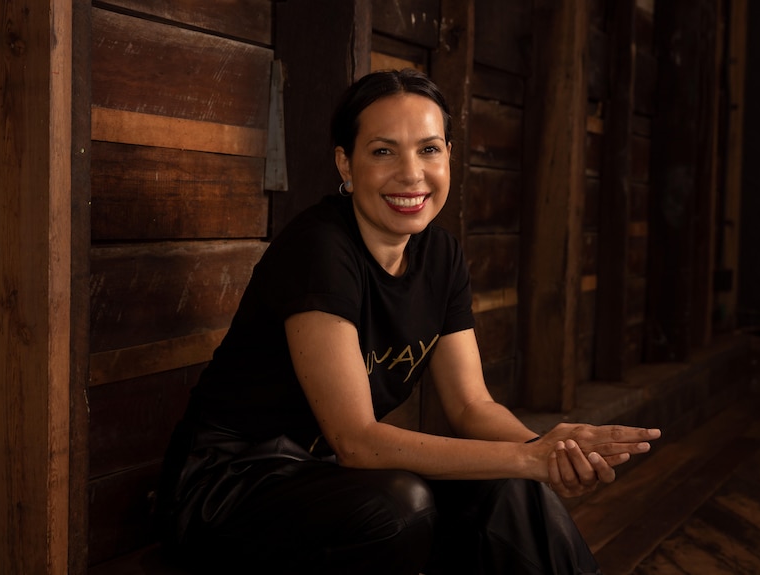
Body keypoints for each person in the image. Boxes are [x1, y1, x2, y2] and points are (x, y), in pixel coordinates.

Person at [155, 68, 660, 575]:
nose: (411, 173)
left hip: (324, 477)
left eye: (429, 149)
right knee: (403, 505)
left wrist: (548, 452)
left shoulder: (440, 255)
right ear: (345, 164)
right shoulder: (320, 251)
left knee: (508, 485)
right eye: (382, 151)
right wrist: (529, 458)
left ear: (449, 157)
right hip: (232, 487)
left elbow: (471, 405)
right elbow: (356, 440)